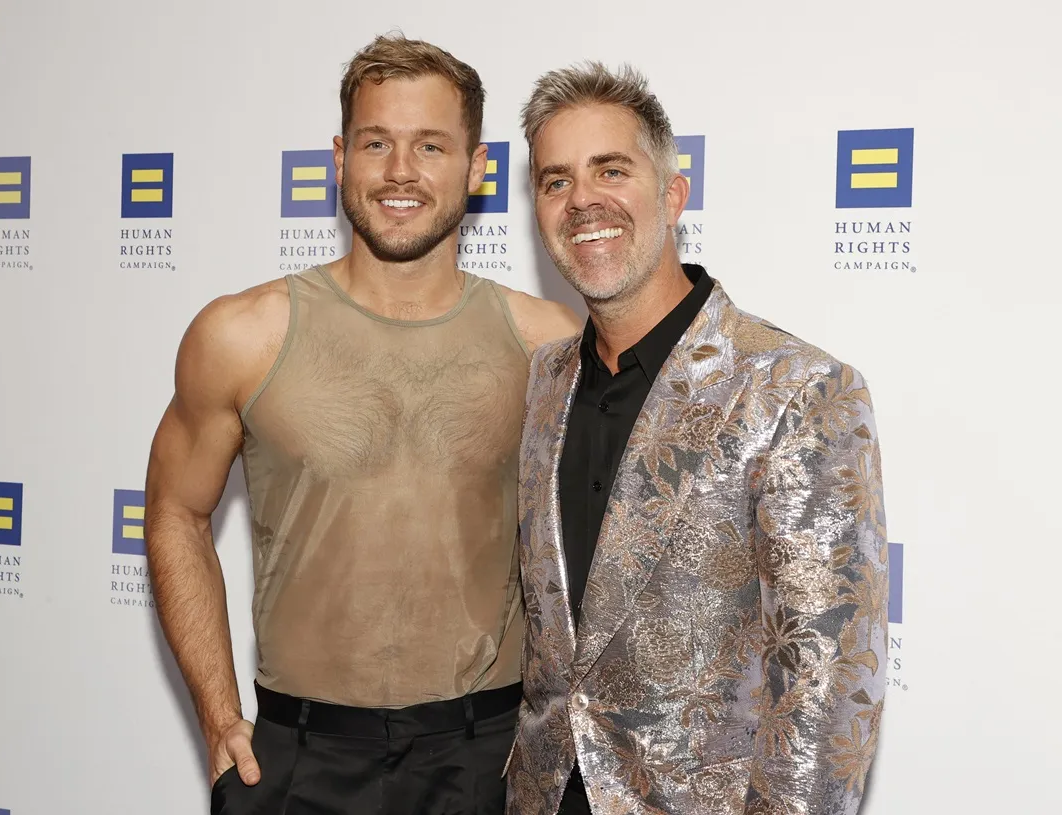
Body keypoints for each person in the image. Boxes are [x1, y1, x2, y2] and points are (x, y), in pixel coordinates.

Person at [142, 34, 581, 815]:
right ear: (340, 157)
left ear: (476, 166)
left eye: (431, 146)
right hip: (294, 761)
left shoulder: (546, 343)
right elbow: (176, 510)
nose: (401, 172)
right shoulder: (241, 334)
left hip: (484, 762)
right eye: (377, 143)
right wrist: (216, 718)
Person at [506, 62, 888, 815]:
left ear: (673, 195)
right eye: (556, 180)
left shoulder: (795, 389)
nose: (583, 199)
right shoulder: (544, 380)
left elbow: (826, 695)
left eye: (610, 169)